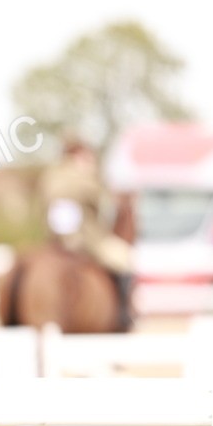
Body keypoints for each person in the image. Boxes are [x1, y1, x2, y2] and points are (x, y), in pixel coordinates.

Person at [39, 137, 135, 331]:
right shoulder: (86, 177)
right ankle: (124, 315)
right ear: (79, 155)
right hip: (88, 239)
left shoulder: (50, 176)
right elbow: (103, 205)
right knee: (125, 259)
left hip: (54, 240)